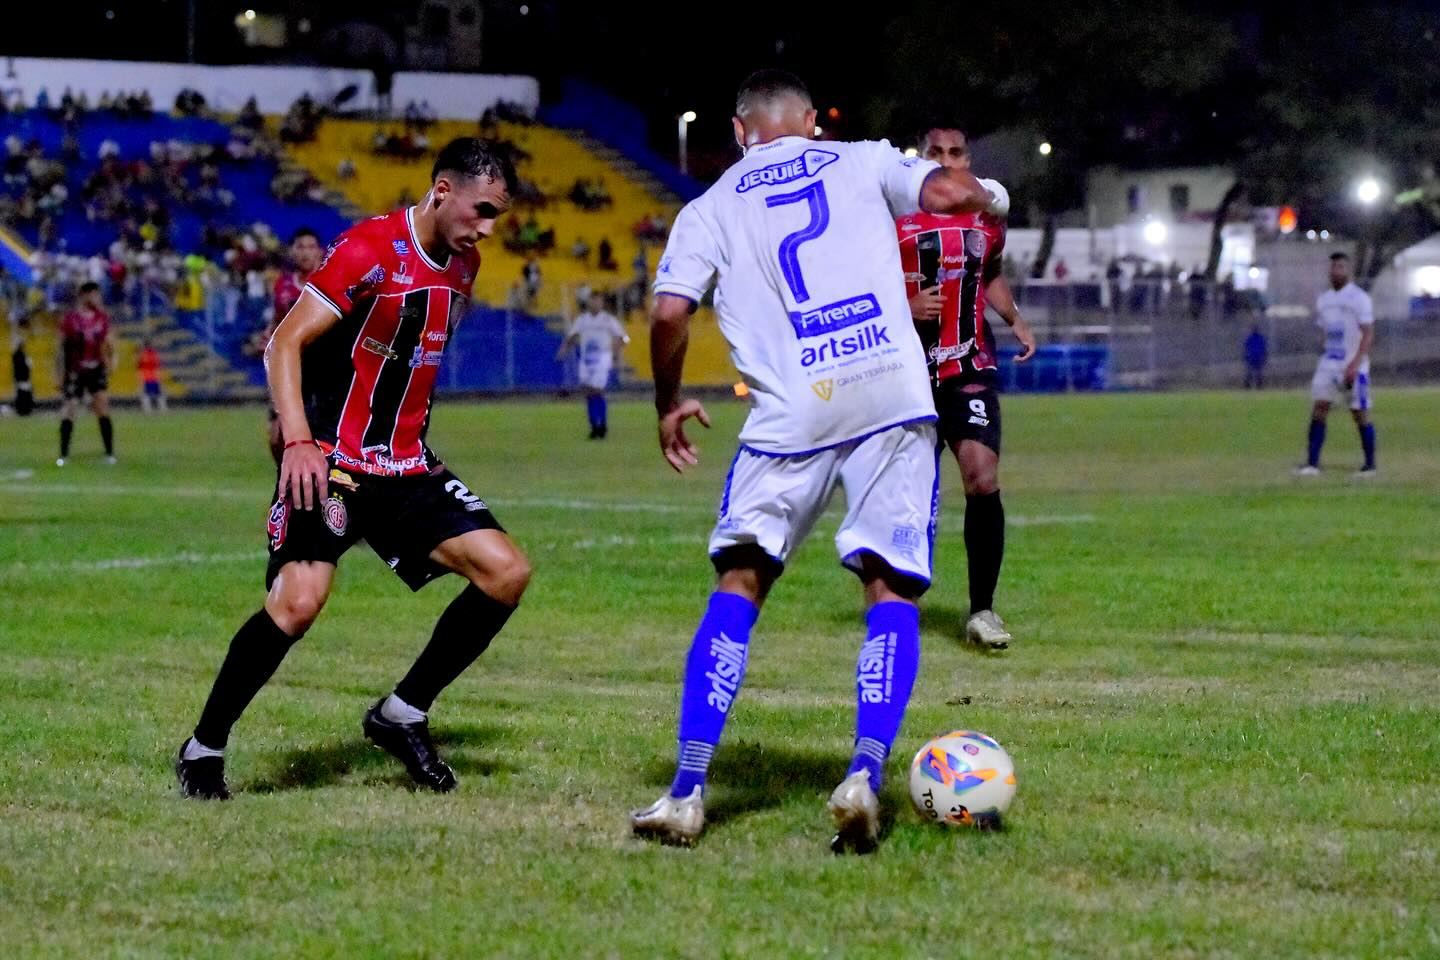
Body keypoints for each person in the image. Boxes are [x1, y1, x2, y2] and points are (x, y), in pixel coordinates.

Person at [630, 69, 1007, 852]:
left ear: (740, 132)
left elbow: (668, 312)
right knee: (889, 588)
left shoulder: (710, 206)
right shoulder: (863, 159)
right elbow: (948, 196)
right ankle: (864, 774)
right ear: (809, 121)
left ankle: (687, 792)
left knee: (740, 582)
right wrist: (991, 196)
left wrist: (667, 399)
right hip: (892, 392)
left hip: (791, 407)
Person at [175, 139, 532, 800]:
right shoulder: (368, 250)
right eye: (481, 210)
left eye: (496, 217)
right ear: (443, 190)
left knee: (506, 571)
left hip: (404, 468)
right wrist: (301, 441)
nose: (485, 228)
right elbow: (286, 339)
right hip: (332, 461)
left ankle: (402, 713)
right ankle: (204, 748)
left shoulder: (464, 266)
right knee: (297, 605)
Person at [900, 124, 1036, 650]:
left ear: (968, 156)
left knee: (982, 476)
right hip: (904, 371)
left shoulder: (986, 214)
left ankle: (982, 610)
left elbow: (991, 269)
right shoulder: (892, 212)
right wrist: (904, 305)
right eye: (936, 152)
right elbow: (858, 280)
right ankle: (896, 600)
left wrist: (1014, 317)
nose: (947, 160)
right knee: (906, 492)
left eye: (956, 152)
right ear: (921, 155)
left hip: (968, 365)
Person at [1297, 252, 1376, 476]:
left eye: (1341, 267)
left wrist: (1355, 363)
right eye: (1333, 267)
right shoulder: (1325, 299)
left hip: (1354, 364)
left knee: (1359, 412)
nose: (1336, 271)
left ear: (1348, 271)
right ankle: (1312, 463)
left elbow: (1368, 333)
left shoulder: (1359, 298)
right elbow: (1324, 330)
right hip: (1329, 363)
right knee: (1319, 408)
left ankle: (1370, 465)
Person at [264, 227, 326, 463]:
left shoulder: (326, 281)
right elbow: (277, 321)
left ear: (320, 252)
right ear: (291, 252)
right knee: (276, 435)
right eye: (300, 247)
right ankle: (285, 478)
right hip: (289, 367)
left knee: (318, 433)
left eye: (311, 247)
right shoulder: (283, 285)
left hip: (321, 368)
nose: (306, 253)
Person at [57, 282, 116, 466]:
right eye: (95, 295)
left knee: (102, 407)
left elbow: (109, 342)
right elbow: (60, 347)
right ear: (84, 295)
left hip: (96, 368)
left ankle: (109, 453)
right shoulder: (71, 319)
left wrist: (112, 360)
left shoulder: (102, 318)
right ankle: (63, 455)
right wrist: (58, 373)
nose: (98, 299)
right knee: (70, 409)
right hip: (75, 369)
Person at [556, 291, 628, 438]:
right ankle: (596, 425)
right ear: (588, 302)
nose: (595, 304)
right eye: (593, 301)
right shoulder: (582, 320)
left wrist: (615, 353)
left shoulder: (608, 320)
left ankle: (601, 425)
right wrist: (563, 350)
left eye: (598, 301)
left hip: (602, 358)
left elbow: (623, 338)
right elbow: (571, 336)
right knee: (589, 392)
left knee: (597, 390)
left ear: (602, 303)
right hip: (586, 359)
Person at [137, 339, 166, 413]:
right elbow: (140, 366)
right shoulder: (143, 354)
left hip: (153, 376)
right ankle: (147, 409)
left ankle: (161, 408)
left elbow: (157, 365)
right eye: (150, 345)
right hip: (147, 376)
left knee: (158, 393)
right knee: (147, 393)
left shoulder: (152, 354)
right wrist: (140, 376)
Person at [1243, 324, 1267, 389]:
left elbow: (1246, 349)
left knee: (1255, 373)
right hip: (1255, 358)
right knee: (1253, 373)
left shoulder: (1251, 338)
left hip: (1255, 358)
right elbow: (1264, 349)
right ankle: (1251, 386)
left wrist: (1246, 357)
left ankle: (1255, 386)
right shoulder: (1258, 338)